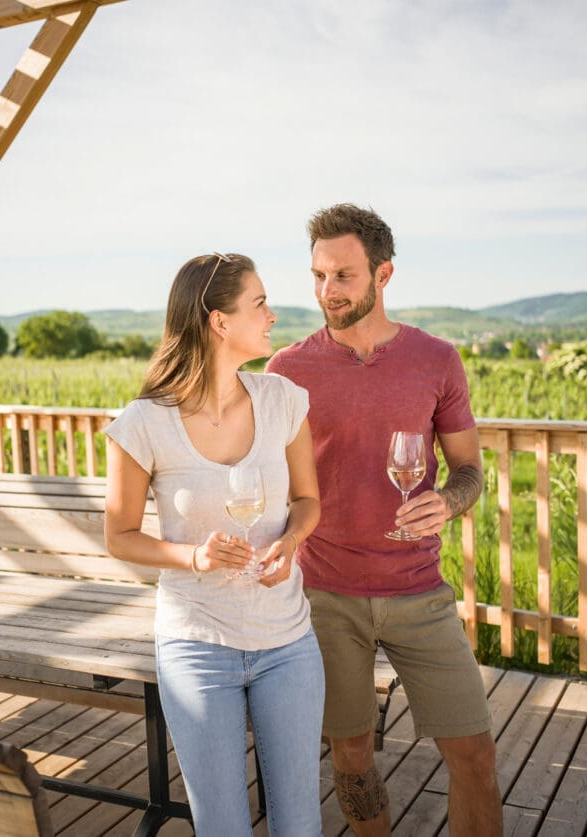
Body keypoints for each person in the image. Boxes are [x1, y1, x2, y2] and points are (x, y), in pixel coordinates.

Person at [265, 204, 502, 836]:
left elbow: (469, 472)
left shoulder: (437, 360)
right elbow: (265, 479)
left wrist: (449, 501)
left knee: (475, 755)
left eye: (343, 275)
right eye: (318, 276)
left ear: (383, 273)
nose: (327, 291)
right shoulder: (287, 370)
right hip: (324, 595)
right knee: (350, 756)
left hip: (419, 592)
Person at [104, 252, 324, 836]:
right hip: (197, 647)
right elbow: (119, 536)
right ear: (219, 321)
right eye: (259, 303)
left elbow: (308, 501)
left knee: (299, 826)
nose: (273, 315)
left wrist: (293, 540)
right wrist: (192, 557)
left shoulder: (282, 400)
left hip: (288, 645)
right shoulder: (144, 423)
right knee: (223, 828)